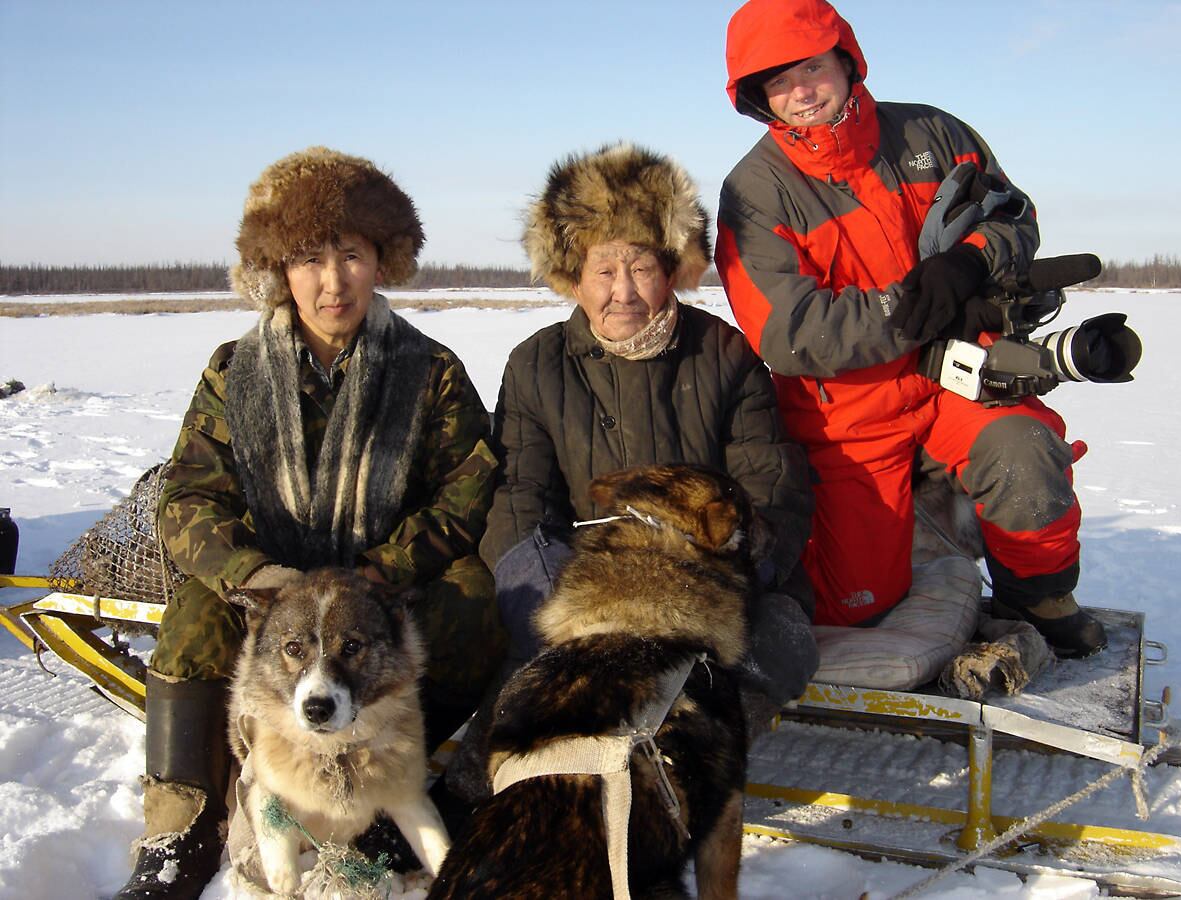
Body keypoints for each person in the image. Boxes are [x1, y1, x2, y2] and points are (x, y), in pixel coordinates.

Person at [116, 147, 506, 899]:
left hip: (378, 579)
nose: (333, 282)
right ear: (277, 271)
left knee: (471, 608)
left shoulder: (429, 370)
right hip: (271, 580)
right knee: (193, 621)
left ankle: (391, 786)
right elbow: (188, 499)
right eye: (308, 260)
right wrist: (254, 578)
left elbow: (467, 488)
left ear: (380, 261)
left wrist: (383, 575)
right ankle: (181, 824)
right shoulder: (235, 370)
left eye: (352, 255)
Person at [716, 0, 1106, 658]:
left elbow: (1014, 215)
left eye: (811, 68)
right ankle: (920, 534)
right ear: (758, 99)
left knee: (1024, 453)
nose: (801, 92)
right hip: (849, 414)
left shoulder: (933, 133)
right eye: (778, 83)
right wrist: (914, 309)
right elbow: (789, 331)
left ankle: (1036, 596)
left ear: (846, 60)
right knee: (854, 609)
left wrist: (969, 260)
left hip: (959, 378)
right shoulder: (755, 191)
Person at [455, 144, 817, 798]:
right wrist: (555, 607)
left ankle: (675, 794)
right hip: (582, 591)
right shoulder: (537, 365)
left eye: (642, 266)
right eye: (604, 268)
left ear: (671, 270)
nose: (623, 291)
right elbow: (516, 501)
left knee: (774, 646)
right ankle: (484, 806)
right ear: (573, 273)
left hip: (714, 589)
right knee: (525, 688)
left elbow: (774, 494)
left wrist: (710, 590)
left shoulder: (725, 356)